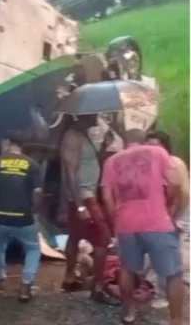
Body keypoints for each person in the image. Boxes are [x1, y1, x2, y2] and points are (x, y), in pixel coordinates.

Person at [101, 129, 185, 325]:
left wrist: (117, 218)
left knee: (128, 269)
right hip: (157, 221)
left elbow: (106, 197)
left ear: (126, 142)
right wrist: (166, 203)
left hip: (126, 224)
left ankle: (128, 312)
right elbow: (175, 181)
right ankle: (176, 320)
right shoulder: (157, 152)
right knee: (173, 273)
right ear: (142, 140)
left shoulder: (111, 161)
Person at [59, 114, 119, 305]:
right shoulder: (72, 136)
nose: (98, 116)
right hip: (84, 197)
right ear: (85, 113)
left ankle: (69, 279)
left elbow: (91, 165)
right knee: (102, 240)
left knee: (75, 236)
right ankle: (98, 288)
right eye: (95, 113)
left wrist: (103, 147)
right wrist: (80, 205)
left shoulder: (84, 136)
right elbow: (70, 171)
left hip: (86, 195)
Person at [0, 135, 43, 302]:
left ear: (8, 145)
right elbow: (38, 192)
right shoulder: (32, 164)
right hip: (22, 218)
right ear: (21, 147)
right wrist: (34, 207)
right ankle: (25, 287)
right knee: (33, 248)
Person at [143, 130, 190, 308]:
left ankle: (165, 296)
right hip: (160, 217)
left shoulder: (174, 163)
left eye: (156, 145)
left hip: (178, 215)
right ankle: (160, 291)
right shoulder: (149, 166)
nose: (152, 149)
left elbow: (184, 194)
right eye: (148, 146)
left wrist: (175, 219)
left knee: (170, 258)